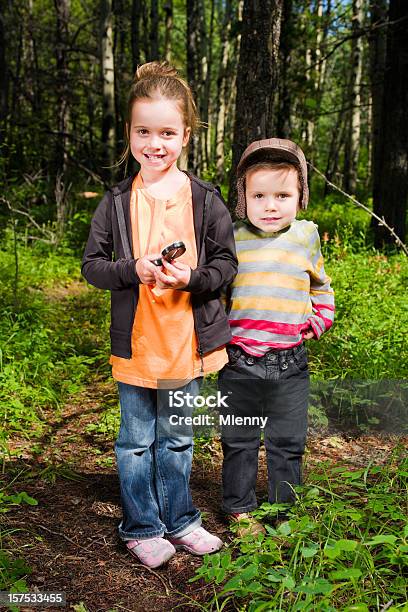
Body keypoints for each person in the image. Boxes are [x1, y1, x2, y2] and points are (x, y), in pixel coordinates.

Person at [82, 61, 237, 568]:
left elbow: (225, 266)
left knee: (176, 437)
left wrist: (188, 278)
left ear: (185, 135)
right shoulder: (114, 202)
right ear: (129, 134)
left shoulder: (205, 199)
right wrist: (133, 269)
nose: (155, 143)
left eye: (167, 132)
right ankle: (142, 526)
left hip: (185, 343)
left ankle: (181, 520)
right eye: (143, 131)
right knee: (135, 440)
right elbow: (93, 267)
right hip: (137, 344)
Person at [218, 138, 334, 536]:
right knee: (240, 439)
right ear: (243, 198)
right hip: (240, 360)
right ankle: (239, 508)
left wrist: (318, 320)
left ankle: (285, 511)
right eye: (259, 195)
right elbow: (219, 293)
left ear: (300, 196)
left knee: (287, 442)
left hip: (291, 361)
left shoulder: (306, 237)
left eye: (282, 195)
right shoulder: (232, 238)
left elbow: (321, 286)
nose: (270, 205)